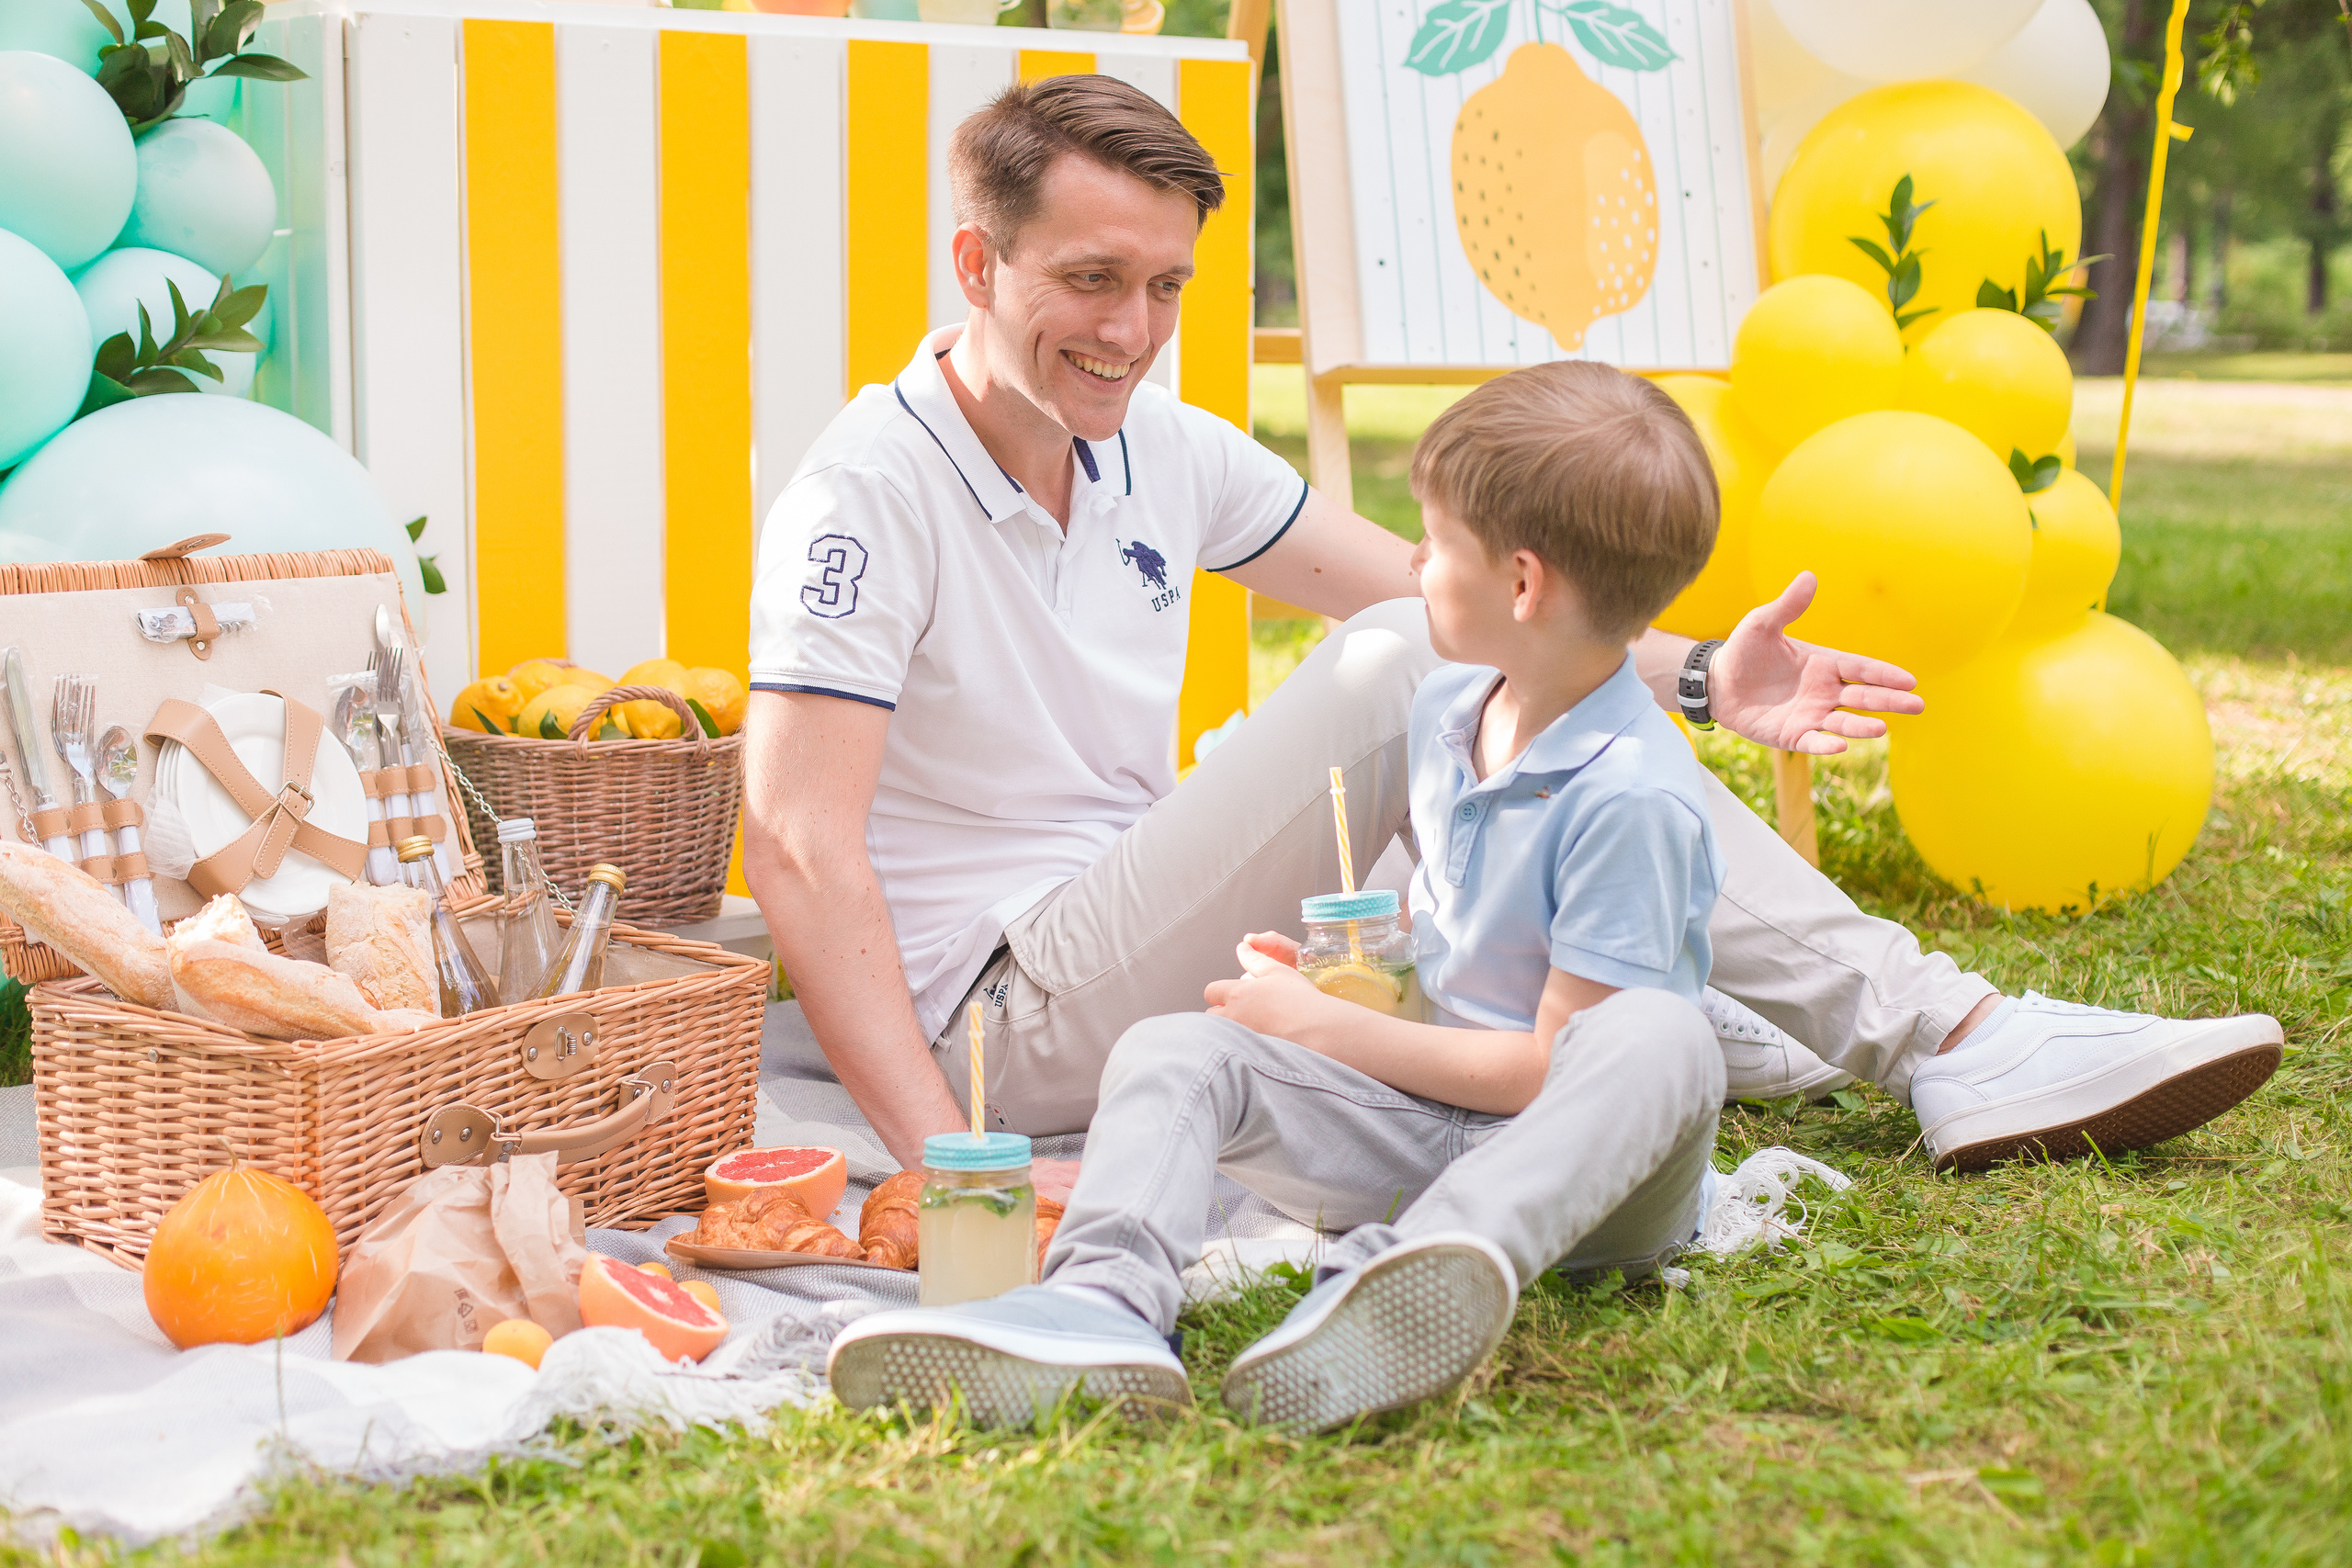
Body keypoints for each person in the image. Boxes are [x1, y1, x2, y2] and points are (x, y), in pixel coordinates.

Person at [741, 75, 2281, 1198]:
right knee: (1411, 676)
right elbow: (799, 847)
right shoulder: (864, 495)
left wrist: (1694, 672)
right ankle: (1940, 1026)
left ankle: (1726, 1008)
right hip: (1006, 1013)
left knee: (1452, 744)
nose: (1134, 333)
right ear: (975, 264)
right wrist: (949, 1155)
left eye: (1166, 286)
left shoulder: (1165, 442)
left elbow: (1442, 584)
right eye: (1091, 282)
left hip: (1154, 918)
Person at [828, 362, 1747, 1428]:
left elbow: (1541, 1074)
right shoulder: (1451, 717)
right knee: (1173, 1048)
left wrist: (1320, 1030)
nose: (1410, 560)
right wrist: (1343, 985)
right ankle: (1101, 1306)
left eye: (1435, 542)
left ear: (1524, 586)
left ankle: (1413, 1279)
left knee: (1657, 1039)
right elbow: (1474, 950)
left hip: (1587, 1188)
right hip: (1430, 1124)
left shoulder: (1635, 801)